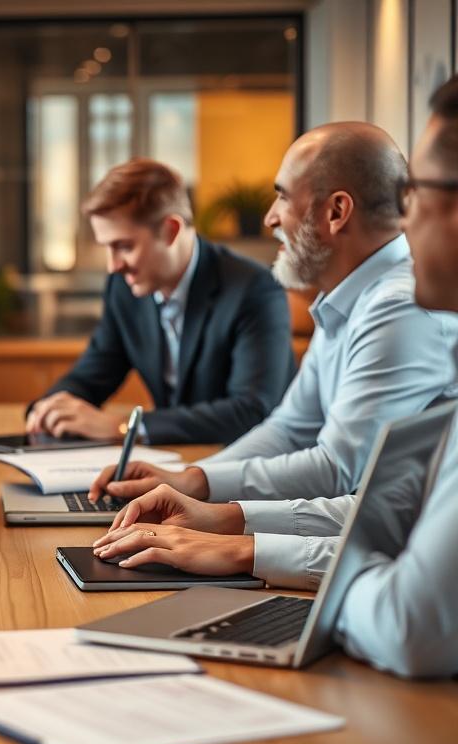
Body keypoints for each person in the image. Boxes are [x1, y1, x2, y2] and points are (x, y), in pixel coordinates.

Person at [92, 80, 458, 679]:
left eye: (418, 194)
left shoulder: (395, 305)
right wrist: (204, 495)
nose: (402, 216)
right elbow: (310, 446)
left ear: (336, 211)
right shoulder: (350, 300)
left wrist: (242, 539)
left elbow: (361, 499)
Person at [25, 158, 295, 445]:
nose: (113, 265)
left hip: (249, 467)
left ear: (171, 231)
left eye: (124, 246)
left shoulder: (254, 289)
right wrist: (49, 409)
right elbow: (96, 370)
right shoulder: (124, 288)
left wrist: (125, 426)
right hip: (174, 465)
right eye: (107, 247)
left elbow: (251, 411)